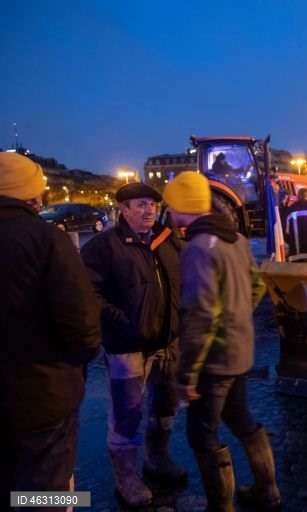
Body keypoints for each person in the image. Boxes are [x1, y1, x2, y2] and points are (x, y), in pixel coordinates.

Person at [163, 171, 280, 511]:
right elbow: (257, 286)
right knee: (241, 418)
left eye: (172, 204)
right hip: (241, 351)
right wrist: (238, 317)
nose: (169, 211)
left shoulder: (198, 248)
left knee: (201, 434)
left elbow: (200, 315)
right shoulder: (237, 240)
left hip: (214, 360)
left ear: (184, 206)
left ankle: (221, 507)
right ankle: (268, 490)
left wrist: (187, 375)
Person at [0, 152, 101, 507]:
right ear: (32, 195)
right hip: (42, 398)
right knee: (44, 495)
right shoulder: (46, 240)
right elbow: (84, 328)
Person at [80, 181, 187, 507]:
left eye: (152, 204)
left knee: (165, 404)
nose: (148, 210)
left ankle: (156, 458)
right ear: (123, 210)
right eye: (140, 205)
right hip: (127, 347)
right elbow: (88, 293)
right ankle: (125, 476)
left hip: (167, 342)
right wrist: (121, 322)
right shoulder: (103, 246)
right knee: (127, 412)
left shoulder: (167, 240)